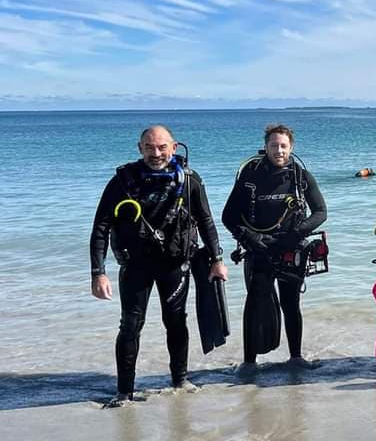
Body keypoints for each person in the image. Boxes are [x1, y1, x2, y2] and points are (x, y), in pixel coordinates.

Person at [90, 125, 227, 406]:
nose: (156, 153)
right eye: (150, 147)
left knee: (176, 322)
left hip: (175, 264)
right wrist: (98, 272)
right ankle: (124, 392)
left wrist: (217, 260)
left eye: (162, 147)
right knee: (130, 325)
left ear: (174, 147)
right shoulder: (123, 181)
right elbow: (101, 227)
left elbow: (206, 221)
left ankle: (180, 380)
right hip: (135, 266)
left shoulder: (189, 181)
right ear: (139, 148)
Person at [223, 124, 327, 373]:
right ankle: (248, 363)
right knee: (255, 303)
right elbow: (228, 216)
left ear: (291, 147)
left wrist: (297, 233)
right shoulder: (251, 175)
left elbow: (321, 212)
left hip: (290, 247)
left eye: (283, 146)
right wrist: (249, 236)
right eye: (274, 145)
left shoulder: (300, 176)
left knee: (291, 303)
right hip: (259, 248)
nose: (278, 150)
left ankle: (296, 358)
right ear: (266, 146)